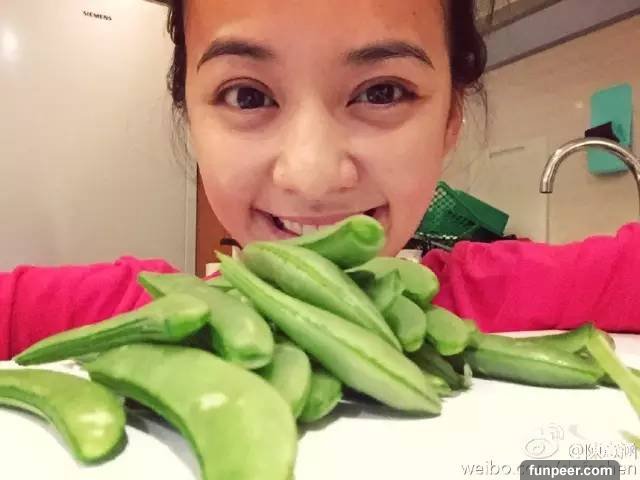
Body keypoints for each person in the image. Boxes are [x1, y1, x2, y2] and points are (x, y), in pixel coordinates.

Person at [1, 0, 638, 361]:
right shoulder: (132, 317)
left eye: (382, 92)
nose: (311, 176)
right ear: (191, 120)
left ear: (450, 120)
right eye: (248, 95)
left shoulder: (506, 298)